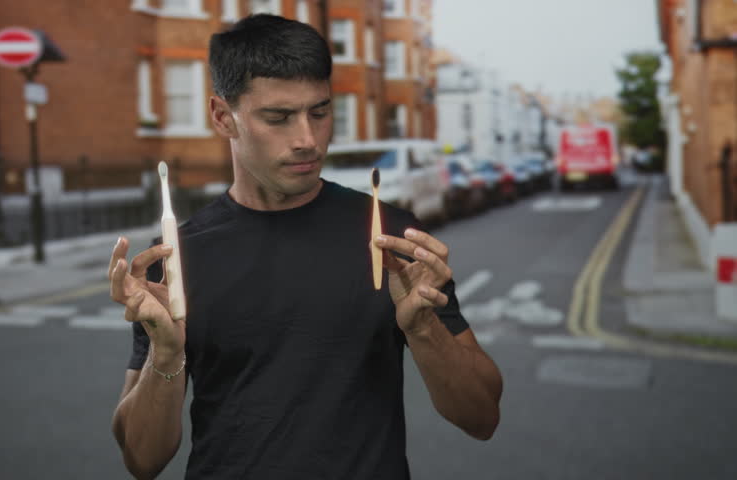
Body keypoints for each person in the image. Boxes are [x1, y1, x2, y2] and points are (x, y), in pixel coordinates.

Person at [109, 14, 502, 480]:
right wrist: (166, 355)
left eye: (320, 112)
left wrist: (423, 329)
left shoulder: (391, 239)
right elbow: (142, 459)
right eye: (278, 117)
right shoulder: (174, 258)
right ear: (222, 117)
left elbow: (481, 418)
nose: (308, 140)